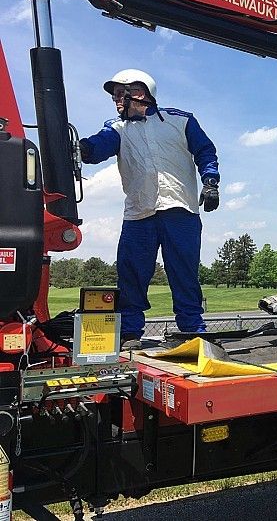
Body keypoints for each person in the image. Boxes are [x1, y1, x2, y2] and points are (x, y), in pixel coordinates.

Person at [79, 69, 220, 348]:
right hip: (138, 214)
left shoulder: (181, 121)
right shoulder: (116, 129)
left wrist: (211, 182)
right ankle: (130, 331)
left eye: (121, 94)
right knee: (131, 272)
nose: (116, 101)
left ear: (140, 93)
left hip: (180, 210)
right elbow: (97, 148)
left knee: (184, 271)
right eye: (115, 96)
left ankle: (192, 328)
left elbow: (205, 151)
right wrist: (79, 147)